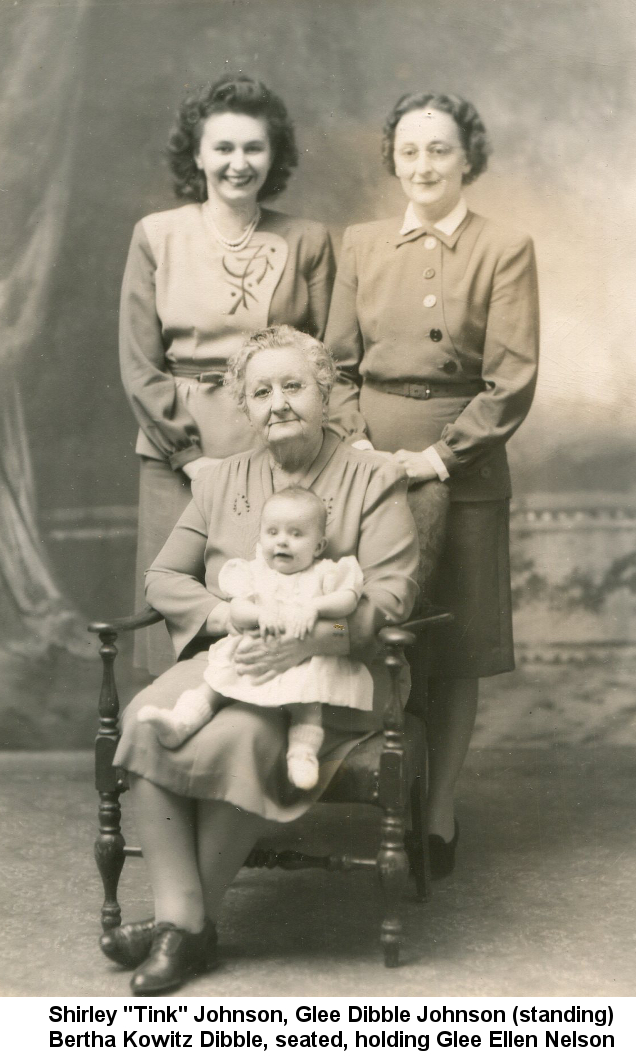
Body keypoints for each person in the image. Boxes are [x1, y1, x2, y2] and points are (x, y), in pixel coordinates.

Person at [100, 325, 418, 995]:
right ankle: (186, 921)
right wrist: (228, 615)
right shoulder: (222, 480)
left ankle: (175, 929)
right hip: (238, 655)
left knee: (246, 732)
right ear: (243, 405)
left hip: (331, 670)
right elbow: (164, 579)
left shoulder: (375, 477)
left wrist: (312, 638)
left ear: (325, 391)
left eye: (294, 385)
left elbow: (389, 595)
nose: (278, 403)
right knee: (147, 713)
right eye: (261, 390)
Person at [325, 91, 540, 879]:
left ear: (467, 158)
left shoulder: (505, 246)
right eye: (410, 151)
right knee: (378, 632)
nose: (424, 166)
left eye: (440, 150)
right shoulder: (361, 242)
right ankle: (390, 791)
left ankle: (438, 806)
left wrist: (440, 457)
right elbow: (337, 364)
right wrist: (356, 447)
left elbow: (512, 378)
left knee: (449, 646)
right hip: (372, 464)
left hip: (464, 465)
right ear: (393, 158)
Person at [119, 74, 336, 674]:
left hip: (276, 440)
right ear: (196, 154)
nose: (238, 164)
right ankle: (174, 749)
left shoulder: (308, 240)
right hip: (177, 448)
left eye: (253, 148)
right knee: (181, 603)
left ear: (275, 156)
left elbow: (327, 360)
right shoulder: (156, 236)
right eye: (223, 148)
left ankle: (258, 752)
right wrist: (189, 458)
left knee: (269, 596)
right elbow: (140, 364)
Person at [137, 486, 372, 791]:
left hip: (309, 655)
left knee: (307, 702)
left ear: (318, 546)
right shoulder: (253, 573)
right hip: (251, 651)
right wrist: (260, 615)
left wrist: (314, 609)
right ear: (261, 539)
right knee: (215, 685)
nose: (282, 541)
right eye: (272, 532)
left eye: (297, 534)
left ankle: (302, 753)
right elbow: (237, 608)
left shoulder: (325, 574)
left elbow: (348, 610)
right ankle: (180, 723)